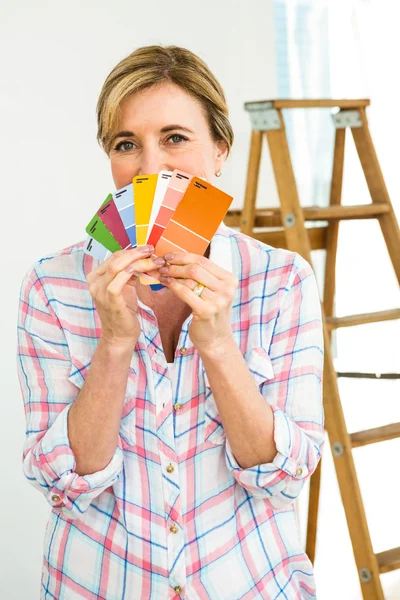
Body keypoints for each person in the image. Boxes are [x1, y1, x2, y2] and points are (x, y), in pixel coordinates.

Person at [17, 45, 325, 600]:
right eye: (126, 144)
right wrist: (114, 343)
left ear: (220, 151)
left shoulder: (282, 280)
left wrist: (217, 344)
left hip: (251, 581)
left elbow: (286, 477)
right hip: (95, 583)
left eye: (175, 138)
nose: (151, 167)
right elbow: (67, 484)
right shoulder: (52, 286)